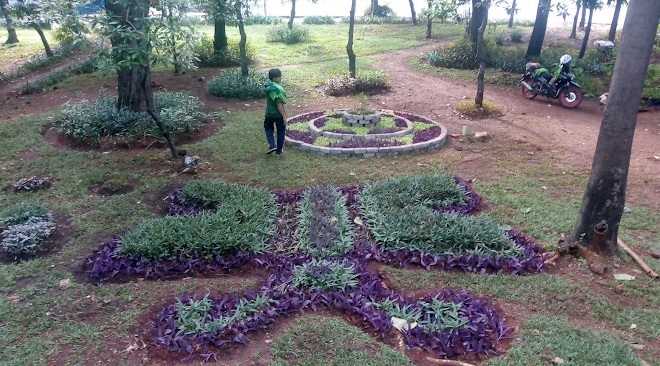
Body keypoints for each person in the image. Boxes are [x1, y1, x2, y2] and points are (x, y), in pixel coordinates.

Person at [264, 68, 288, 156]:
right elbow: (279, 105)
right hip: (278, 114)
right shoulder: (277, 90)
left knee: (268, 128)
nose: (280, 78)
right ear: (274, 78)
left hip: (269, 113)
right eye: (279, 77)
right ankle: (279, 151)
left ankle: (272, 145)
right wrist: (284, 116)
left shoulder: (268, 86)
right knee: (281, 132)